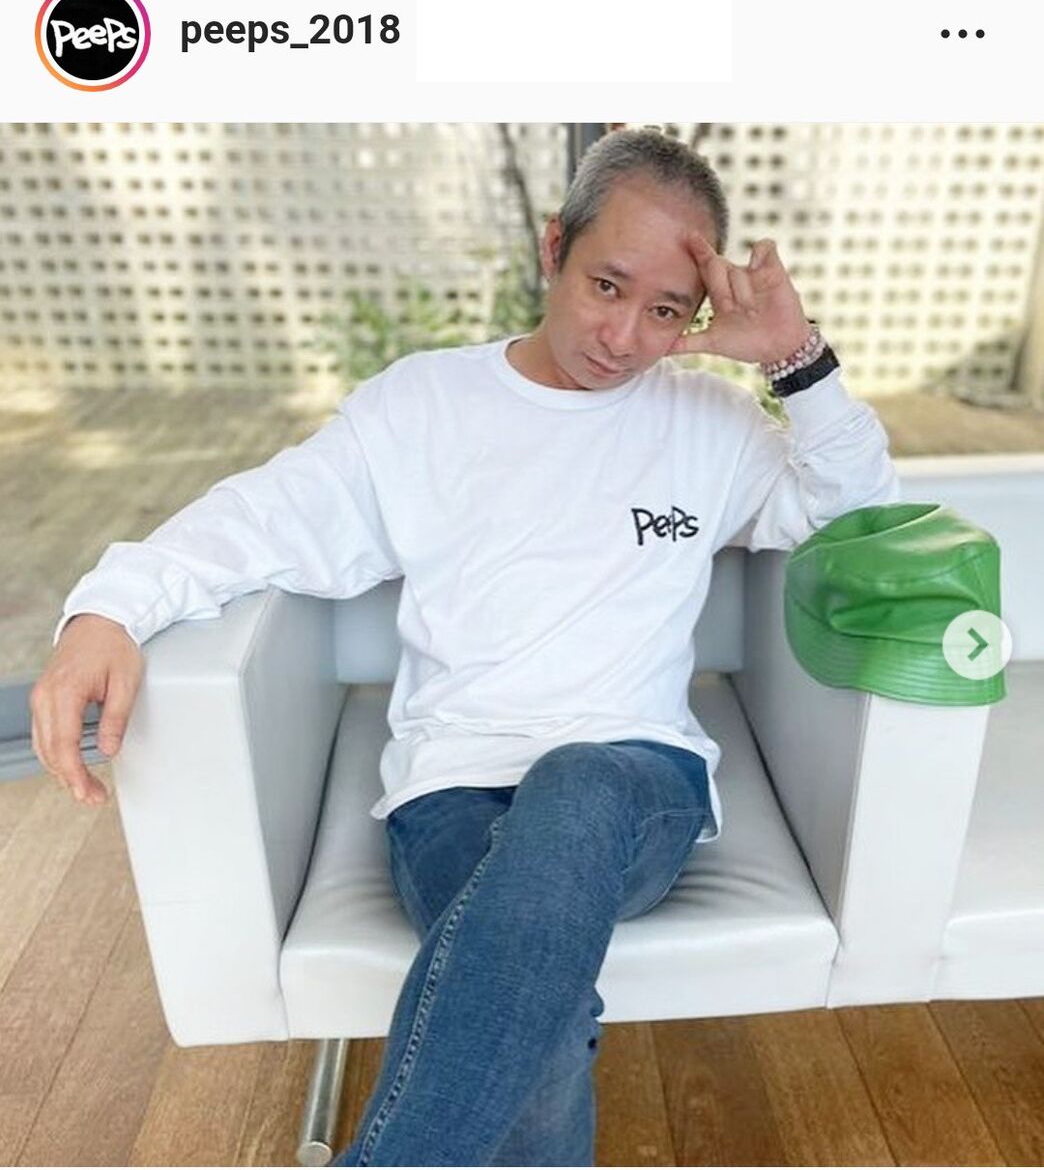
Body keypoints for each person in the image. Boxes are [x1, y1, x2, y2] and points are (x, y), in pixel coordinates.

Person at [31, 128, 899, 1166]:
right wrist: (108, 610)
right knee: (535, 1018)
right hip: (449, 791)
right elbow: (263, 517)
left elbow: (859, 519)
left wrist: (799, 362)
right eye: (606, 286)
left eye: (666, 311)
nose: (624, 335)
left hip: (635, 781)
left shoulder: (709, 425)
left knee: (578, 782)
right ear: (554, 247)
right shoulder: (423, 406)